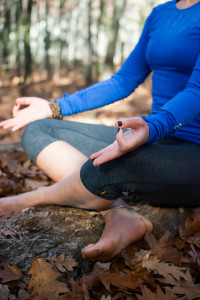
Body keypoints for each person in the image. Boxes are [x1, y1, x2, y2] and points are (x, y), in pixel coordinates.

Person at [0, 0, 200, 262]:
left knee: (115, 163)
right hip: (157, 138)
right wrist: (55, 106)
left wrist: (152, 126)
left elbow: (197, 91)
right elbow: (124, 80)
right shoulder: (160, 14)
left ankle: (30, 199)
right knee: (39, 130)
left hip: (191, 152)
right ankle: (120, 213)